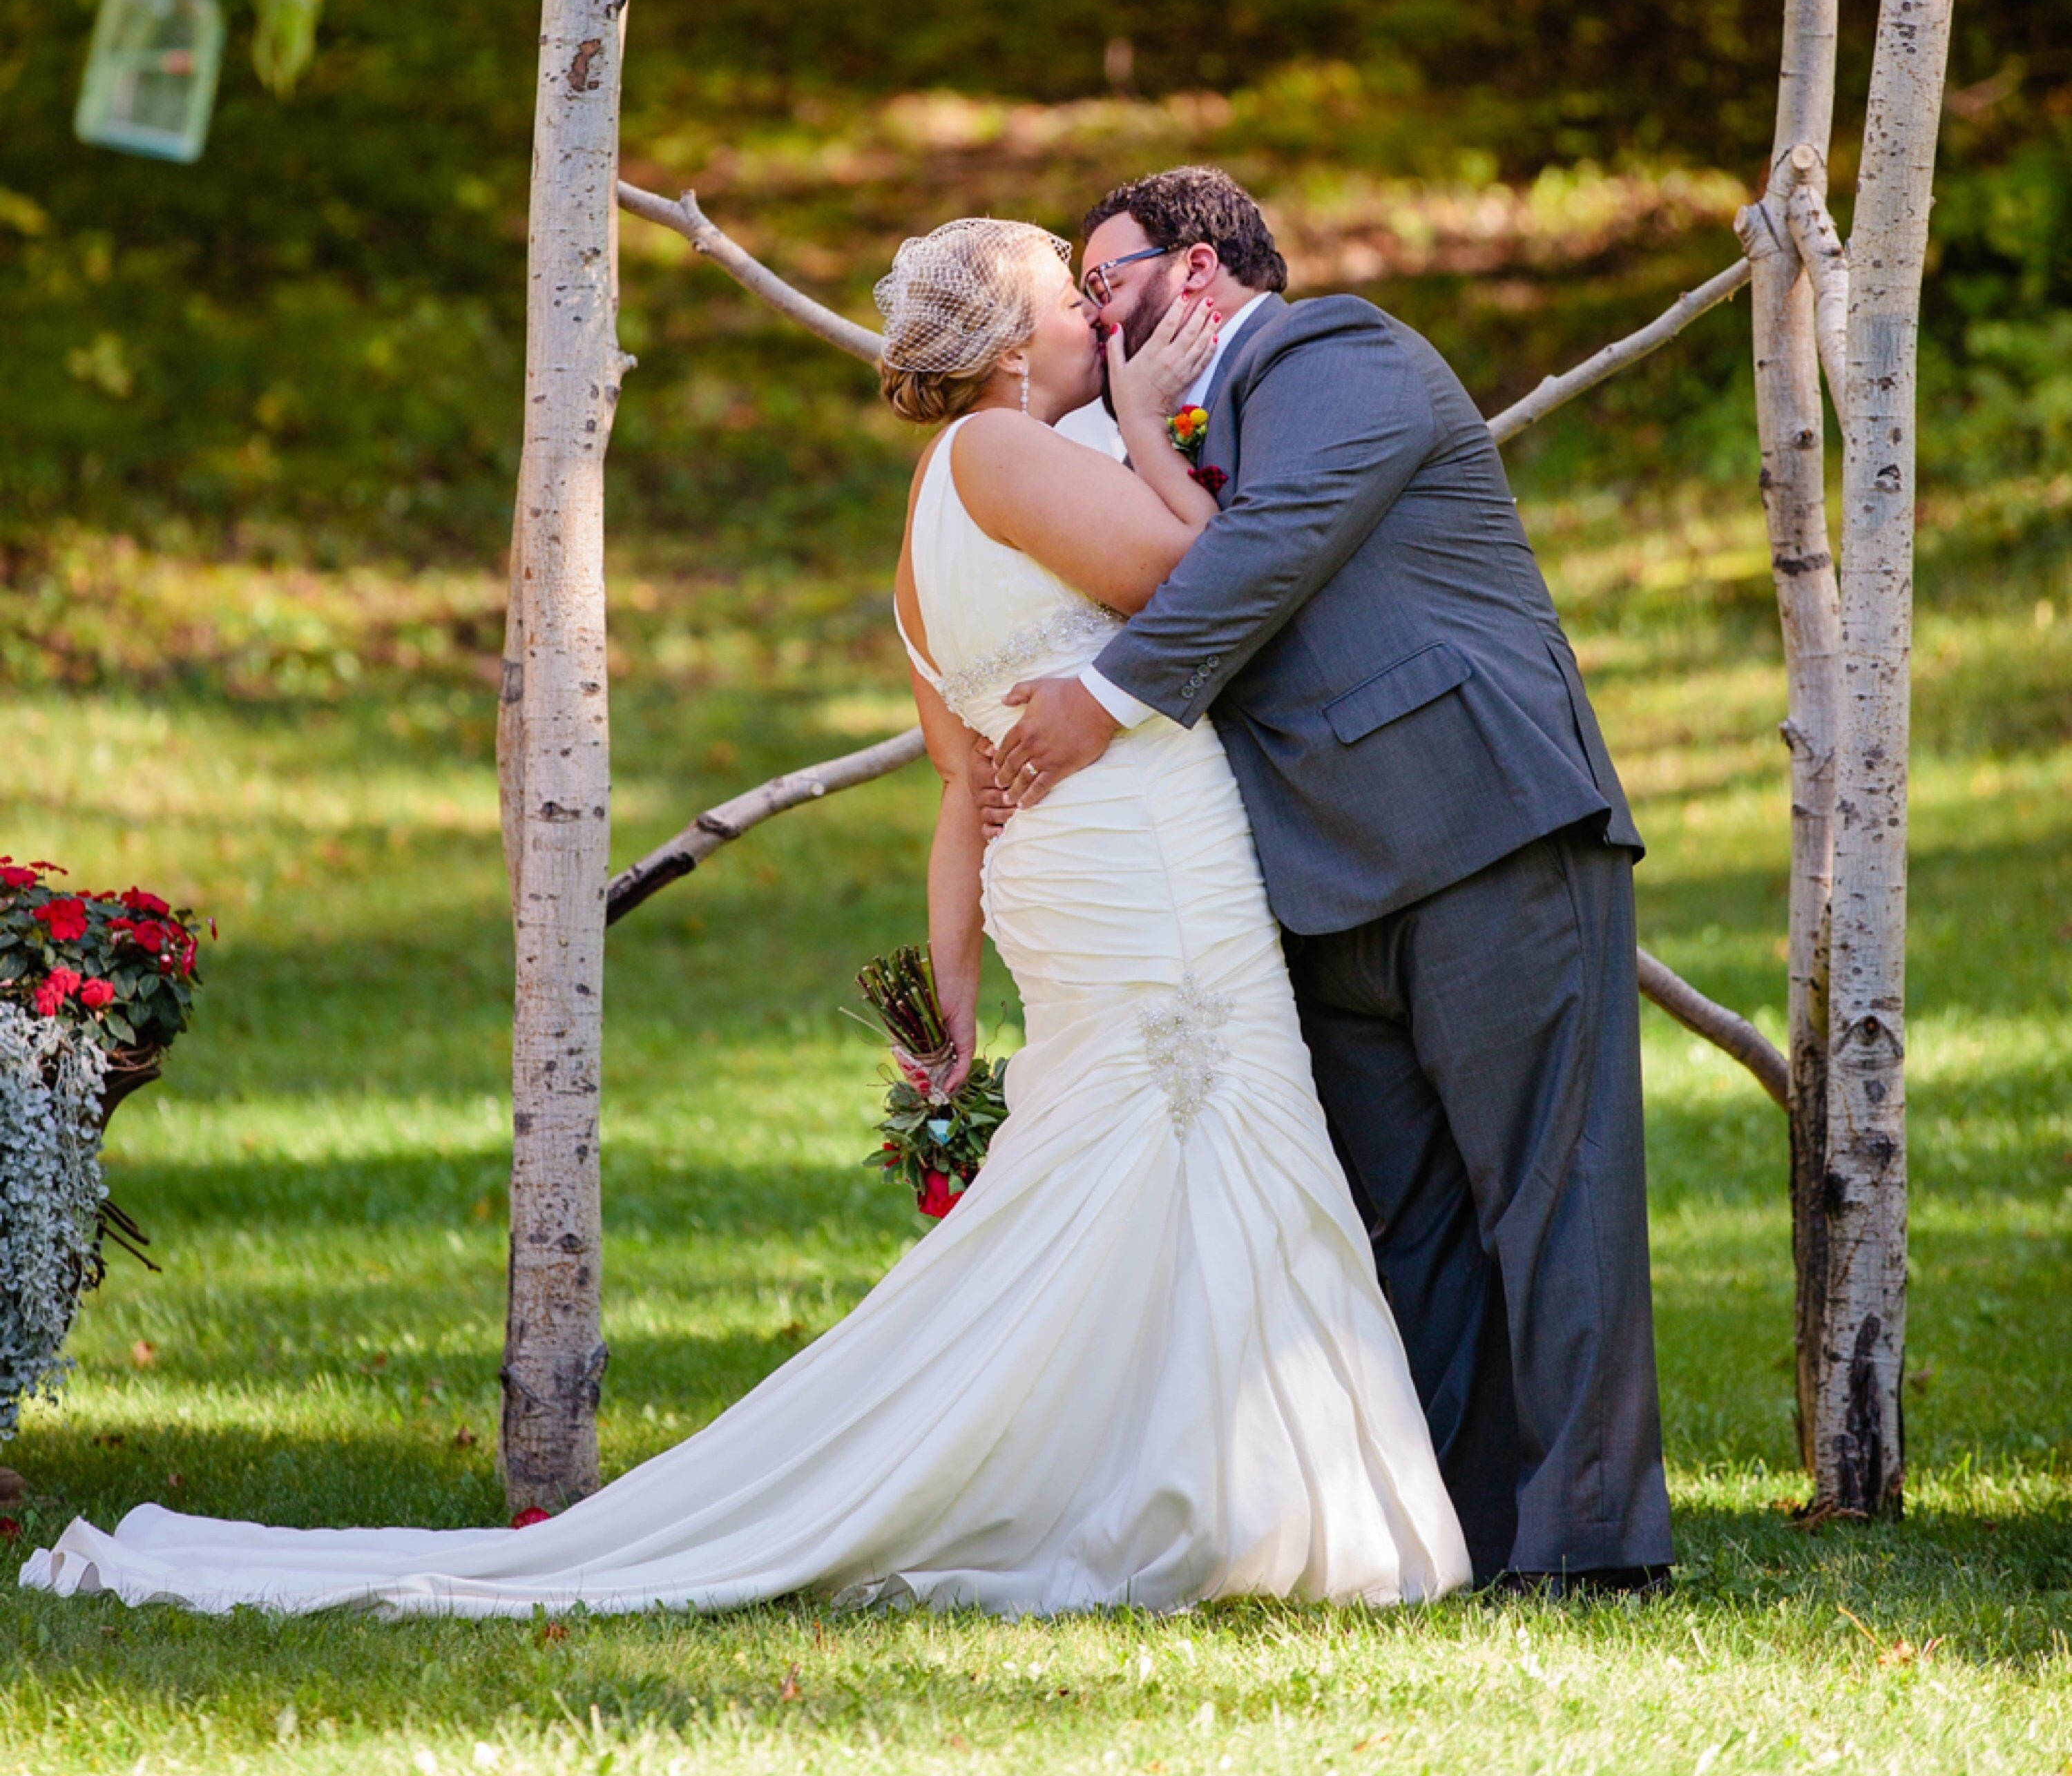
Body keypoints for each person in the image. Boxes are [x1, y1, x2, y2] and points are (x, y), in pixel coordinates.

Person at [23, 215, 1466, 1619]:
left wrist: (953, 986)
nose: (1101, 318)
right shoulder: (1005, 445)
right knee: (1197, 1121)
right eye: (1067, 295)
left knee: (1144, 1147)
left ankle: (1202, 1479)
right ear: (1011, 343)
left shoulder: (929, 522)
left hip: (1077, 865)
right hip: (1140, 854)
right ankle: (1227, 1498)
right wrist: (1154, 426)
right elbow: (1183, 573)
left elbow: (960, 788)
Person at [990, 168, 1673, 1594]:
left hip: (1481, 829)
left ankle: (1592, 1546)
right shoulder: (1150, 437)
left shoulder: (1331, 351)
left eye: (1101, 282)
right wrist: (1124, 427)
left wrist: (1107, 698)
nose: (1088, 313)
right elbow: (1178, 547)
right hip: (1314, 887)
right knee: (1403, 1232)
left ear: (1193, 274)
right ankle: (1450, 1536)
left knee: (1553, 1196)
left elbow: (1277, 540)